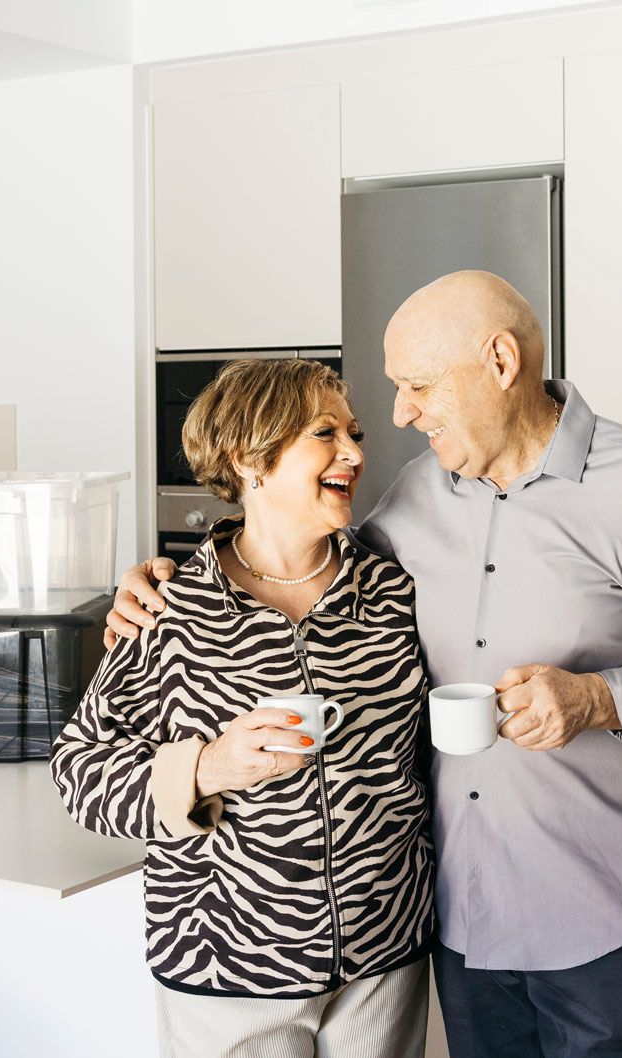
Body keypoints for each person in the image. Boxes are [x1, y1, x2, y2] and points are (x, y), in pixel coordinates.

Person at [109, 270, 622, 1058]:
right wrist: (166, 578)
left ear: (499, 362)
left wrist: (597, 698)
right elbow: (292, 556)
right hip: (460, 919)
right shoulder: (416, 496)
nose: (398, 414)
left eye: (417, 384)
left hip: (600, 911)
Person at [52, 357, 433, 1058]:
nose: (354, 453)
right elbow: (78, 775)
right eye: (325, 433)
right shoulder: (170, 608)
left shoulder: (392, 589)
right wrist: (209, 766)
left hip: (385, 959)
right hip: (225, 964)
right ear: (248, 459)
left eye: (355, 433)